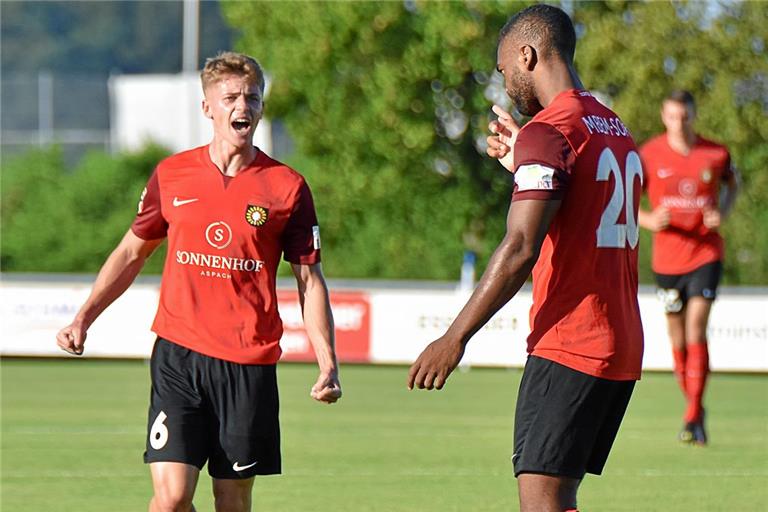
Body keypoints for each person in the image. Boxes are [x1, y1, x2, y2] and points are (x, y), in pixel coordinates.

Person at [56, 51, 342, 512]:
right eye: (230, 97)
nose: (241, 107)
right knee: (170, 500)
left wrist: (328, 362)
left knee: (231, 502)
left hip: (247, 364)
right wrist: (84, 317)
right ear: (207, 107)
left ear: (262, 106)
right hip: (178, 356)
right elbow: (131, 252)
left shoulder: (286, 187)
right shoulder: (172, 175)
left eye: (252, 96)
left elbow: (309, 279)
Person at [408, 5, 644, 512]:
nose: (503, 81)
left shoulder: (549, 130)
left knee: (541, 501)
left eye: (503, 68)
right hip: (619, 341)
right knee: (558, 497)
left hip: (572, 340)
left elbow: (518, 249)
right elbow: (579, 202)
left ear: (527, 54)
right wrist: (526, 161)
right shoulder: (612, 126)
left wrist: (453, 339)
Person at [638, 90, 739, 446]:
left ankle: (693, 412)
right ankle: (693, 406)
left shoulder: (716, 152)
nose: (679, 123)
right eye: (673, 116)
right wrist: (649, 218)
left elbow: (732, 184)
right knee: (677, 337)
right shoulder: (648, 154)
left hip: (705, 254)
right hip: (667, 261)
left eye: (685, 116)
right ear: (664, 116)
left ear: (694, 116)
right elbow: (626, 196)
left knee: (696, 329)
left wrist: (722, 213)